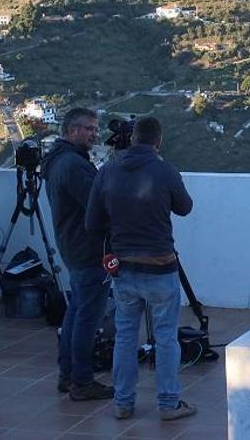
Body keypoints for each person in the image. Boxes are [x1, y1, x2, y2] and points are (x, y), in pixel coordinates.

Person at [86, 116, 196, 422]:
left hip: (124, 269)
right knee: (165, 337)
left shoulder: (107, 171)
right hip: (160, 267)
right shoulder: (165, 170)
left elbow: (91, 223)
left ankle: (123, 403)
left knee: (124, 336)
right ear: (158, 141)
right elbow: (185, 207)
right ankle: (169, 403)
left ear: (133, 138)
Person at [42, 107, 112, 401]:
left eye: (96, 129)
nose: (94, 134)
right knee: (87, 317)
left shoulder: (59, 161)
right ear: (71, 130)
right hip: (87, 249)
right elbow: (97, 206)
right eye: (88, 129)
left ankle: (67, 374)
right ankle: (82, 380)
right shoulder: (73, 165)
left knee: (75, 312)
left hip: (72, 246)